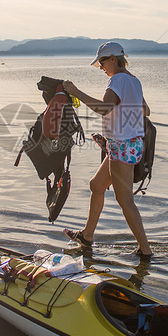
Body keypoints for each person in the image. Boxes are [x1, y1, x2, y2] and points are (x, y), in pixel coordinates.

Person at [61, 42, 153, 259]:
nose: (100, 67)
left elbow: (105, 108)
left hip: (122, 146)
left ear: (113, 59)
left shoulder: (118, 79)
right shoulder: (133, 80)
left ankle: (146, 251)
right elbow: (145, 111)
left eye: (102, 62)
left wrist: (76, 92)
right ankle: (87, 236)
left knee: (125, 201)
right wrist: (112, 132)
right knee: (96, 185)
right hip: (128, 144)